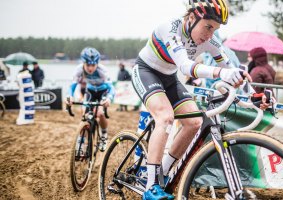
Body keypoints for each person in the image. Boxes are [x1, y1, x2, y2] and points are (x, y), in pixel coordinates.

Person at [131, 1, 270, 199]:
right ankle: (150, 186)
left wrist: (254, 95)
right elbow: (186, 67)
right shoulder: (170, 29)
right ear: (191, 18)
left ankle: (163, 171)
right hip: (146, 71)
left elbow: (232, 69)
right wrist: (220, 73)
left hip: (169, 78)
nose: (210, 34)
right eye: (207, 26)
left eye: (215, 29)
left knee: (195, 122)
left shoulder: (210, 42)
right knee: (165, 117)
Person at [66, 47, 115, 152]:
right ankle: (81, 140)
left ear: (97, 63)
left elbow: (111, 88)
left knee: (100, 113)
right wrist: (69, 96)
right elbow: (72, 86)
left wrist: (109, 99)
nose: (90, 68)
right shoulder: (79, 70)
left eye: (93, 65)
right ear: (83, 63)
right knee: (85, 114)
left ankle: (104, 135)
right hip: (91, 91)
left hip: (103, 92)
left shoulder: (103, 71)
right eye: (88, 65)